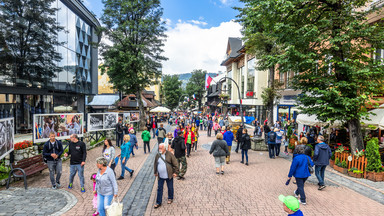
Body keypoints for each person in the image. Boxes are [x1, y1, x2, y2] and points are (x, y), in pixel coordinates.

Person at [153, 144, 179, 208]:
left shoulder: (169, 154)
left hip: (169, 175)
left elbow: (175, 164)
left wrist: (176, 172)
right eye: (159, 148)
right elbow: (155, 163)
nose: (160, 149)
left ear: (164, 148)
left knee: (170, 187)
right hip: (160, 176)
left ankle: (170, 198)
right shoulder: (157, 155)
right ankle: (158, 202)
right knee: (159, 189)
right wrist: (155, 171)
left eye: (161, 148)